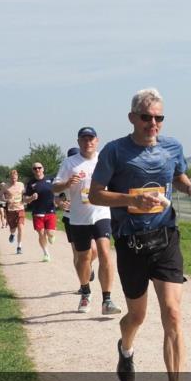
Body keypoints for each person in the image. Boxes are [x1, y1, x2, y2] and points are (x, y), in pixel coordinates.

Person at [89, 87, 191, 381]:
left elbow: (179, 176)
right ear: (132, 118)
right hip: (131, 243)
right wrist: (130, 199)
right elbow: (96, 195)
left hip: (165, 237)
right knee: (137, 317)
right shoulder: (114, 152)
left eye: (158, 118)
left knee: (172, 313)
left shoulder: (172, 147)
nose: (153, 123)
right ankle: (126, 349)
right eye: (146, 117)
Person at [54, 129, 120, 315]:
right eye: (84, 139)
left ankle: (107, 299)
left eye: (91, 139)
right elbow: (54, 186)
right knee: (83, 258)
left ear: (97, 141)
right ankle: (85, 291)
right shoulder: (69, 163)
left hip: (101, 213)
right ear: (79, 141)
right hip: (78, 217)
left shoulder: (103, 159)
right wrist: (66, 184)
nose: (87, 142)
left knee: (105, 253)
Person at [59, 148, 98, 292]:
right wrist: (61, 203)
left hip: (90, 215)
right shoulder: (65, 174)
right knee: (78, 254)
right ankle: (83, 285)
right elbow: (57, 195)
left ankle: (88, 266)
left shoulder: (88, 173)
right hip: (71, 218)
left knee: (94, 250)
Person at [25, 161, 58, 262]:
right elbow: (25, 199)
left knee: (50, 233)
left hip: (50, 210)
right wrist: (31, 198)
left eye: (39, 168)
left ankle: (51, 236)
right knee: (41, 233)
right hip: (37, 212)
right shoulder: (30, 183)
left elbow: (58, 191)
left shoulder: (50, 179)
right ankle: (46, 253)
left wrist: (58, 201)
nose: (37, 170)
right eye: (35, 168)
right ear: (33, 171)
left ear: (43, 169)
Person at [4, 169, 26, 254]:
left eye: (15, 177)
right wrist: (6, 200)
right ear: (10, 177)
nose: (14, 179)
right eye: (12, 177)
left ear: (17, 177)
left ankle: (19, 247)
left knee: (20, 227)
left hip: (20, 208)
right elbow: (0, 196)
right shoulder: (6, 186)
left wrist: (26, 198)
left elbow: (24, 194)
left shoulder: (21, 185)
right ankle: (12, 234)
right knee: (13, 229)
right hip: (11, 210)